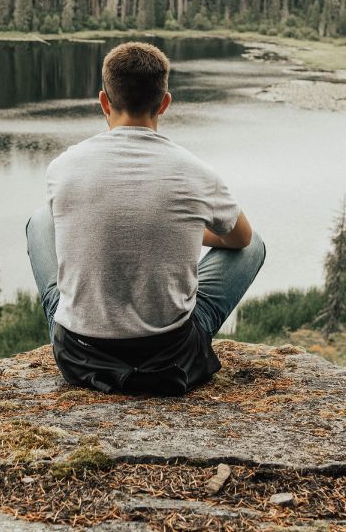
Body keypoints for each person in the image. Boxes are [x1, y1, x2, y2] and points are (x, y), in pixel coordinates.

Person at [25, 41, 265, 395]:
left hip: (80, 355)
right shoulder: (196, 172)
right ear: (164, 103)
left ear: (104, 102)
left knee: (40, 221)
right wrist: (183, 230)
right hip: (171, 357)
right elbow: (242, 239)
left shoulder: (63, 167)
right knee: (255, 245)